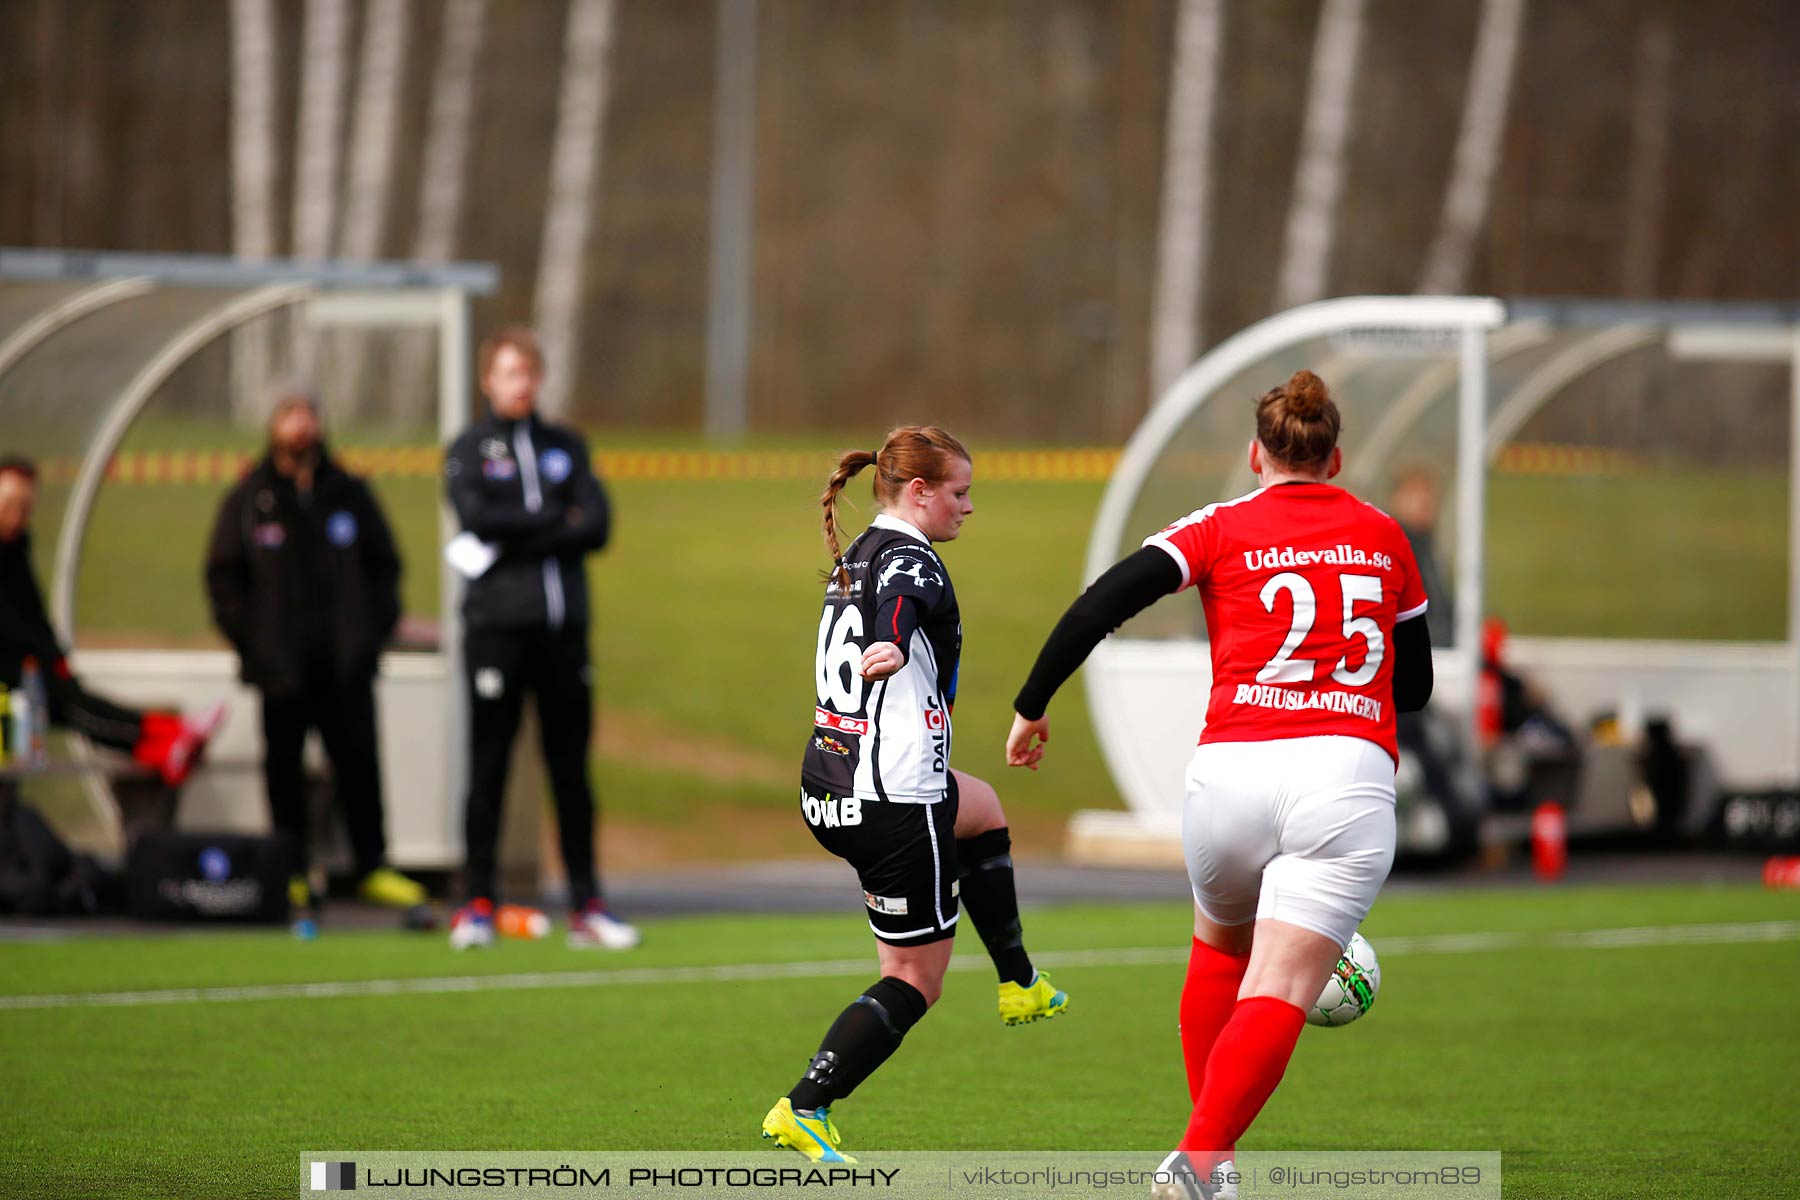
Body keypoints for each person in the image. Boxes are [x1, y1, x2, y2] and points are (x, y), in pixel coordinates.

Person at [1003, 371, 1433, 1199]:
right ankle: (1201, 1157)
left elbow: (1102, 603)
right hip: (1344, 777)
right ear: (1335, 458)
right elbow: (1410, 688)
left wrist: (1031, 706)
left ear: (1255, 456)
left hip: (1232, 774)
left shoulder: (1220, 526)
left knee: (1219, 950)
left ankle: (1212, 1166)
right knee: (1279, 988)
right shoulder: (1384, 536)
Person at [760, 426, 1069, 1165]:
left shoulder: (855, 555)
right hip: (894, 800)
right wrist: (894, 642)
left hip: (831, 783)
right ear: (919, 492)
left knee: (985, 808)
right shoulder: (907, 559)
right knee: (912, 981)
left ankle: (1020, 982)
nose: (969, 506)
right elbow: (903, 601)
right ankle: (805, 1105)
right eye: (959, 493)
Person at [442, 326, 637, 951]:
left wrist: (526, 528)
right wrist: (559, 520)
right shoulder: (470, 448)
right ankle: (477, 903)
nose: (520, 385)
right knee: (489, 765)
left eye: (528, 374)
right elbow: (478, 517)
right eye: (508, 374)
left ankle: (587, 906)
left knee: (571, 772)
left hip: (564, 634)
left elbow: (599, 525)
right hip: (497, 632)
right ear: (488, 381)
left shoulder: (566, 445)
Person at [204, 383, 423, 917]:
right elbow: (223, 578)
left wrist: (369, 634)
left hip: (346, 664)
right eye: (289, 415)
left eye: (307, 415)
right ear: (274, 426)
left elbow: (386, 567)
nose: (300, 426)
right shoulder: (252, 498)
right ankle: (292, 870)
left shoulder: (349, 492)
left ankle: (372, 866)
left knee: (359, 766)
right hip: (281, 668)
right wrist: (256, 646)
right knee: (284, 770)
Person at [0, 456, 222, 786]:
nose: (18, 516)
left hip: (22, 680)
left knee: (70, 712)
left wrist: (54, 656)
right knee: (73, 709)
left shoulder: (16, 551)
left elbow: (32, 615)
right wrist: (43, 657)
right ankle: (166, 740)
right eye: (11, 505)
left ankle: (169, 738)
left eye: (25, 507)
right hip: (12, 682)